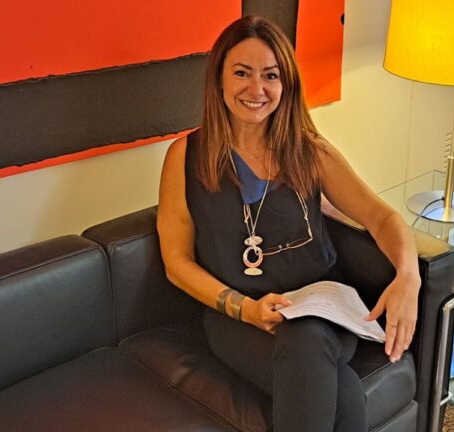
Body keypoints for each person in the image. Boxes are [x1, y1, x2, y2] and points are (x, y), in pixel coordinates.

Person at [156, 15, 421, 432]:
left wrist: (409, 276)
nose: (256, 89)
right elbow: (176, 261)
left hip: (323, 309)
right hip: (235, 317)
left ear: (286, 85)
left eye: (271, 75)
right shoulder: (185, 156)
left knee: (308, 338)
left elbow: (382, 217)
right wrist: (245, 309)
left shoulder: (309, 151)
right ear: (219, 79)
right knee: (339, 388)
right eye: (241, 73)